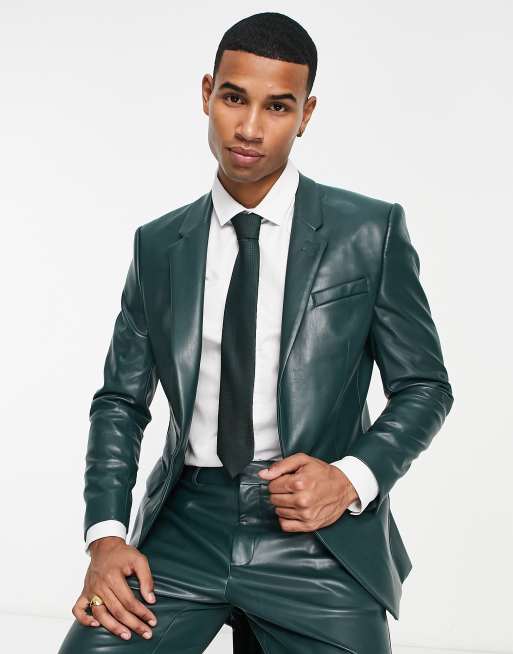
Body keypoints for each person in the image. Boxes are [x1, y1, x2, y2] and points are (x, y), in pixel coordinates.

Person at [57, 11, 454, 654]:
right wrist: (105, 536)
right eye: (234, 98)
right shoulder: (158, 246)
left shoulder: (367, 231)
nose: (249, 128)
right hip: (184, 525)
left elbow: (425, 386)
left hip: (315, 537)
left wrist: (350, 478)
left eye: (277, 106)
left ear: (306, 113)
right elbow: (120, 402)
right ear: (207, 93)